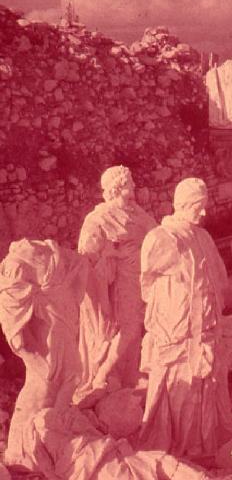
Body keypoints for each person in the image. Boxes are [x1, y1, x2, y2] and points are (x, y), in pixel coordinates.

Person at [138, 178, 232, 461]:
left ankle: (204, 444)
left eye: (204, 206)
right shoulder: (161, 239)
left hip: (205, 328)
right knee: (180, 388)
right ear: (183, 204)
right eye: (198, 206)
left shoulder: (202, 236)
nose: (204, 213)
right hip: (178, 331)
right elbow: (148, 287)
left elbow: (218, 278)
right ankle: (180, 448)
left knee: (208, 384)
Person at [0, 239, 87, 467]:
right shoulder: (18, 266)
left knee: (70, 375)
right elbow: (11, 303)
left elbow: (80, 265)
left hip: (56, 318)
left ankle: (47, 437)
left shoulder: (61, 259)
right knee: (44, 382)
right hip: (43, 324)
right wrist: (25, 348)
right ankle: (22, 449)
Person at [76, 166, 156, 399]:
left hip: (142, 279)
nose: (133, 188)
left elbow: (157, 236)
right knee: (128, 329)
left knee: (136, 329)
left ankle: (125, 380)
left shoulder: (136, 213)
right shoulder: (99, 219)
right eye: (129, 184)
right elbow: (86, 259)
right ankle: (101, 375)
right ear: (116, 188)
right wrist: (113, 255)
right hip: (118, 285)